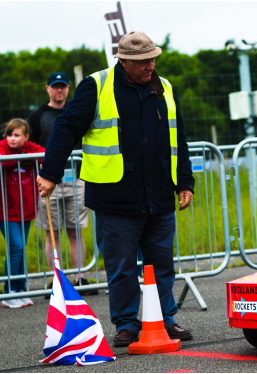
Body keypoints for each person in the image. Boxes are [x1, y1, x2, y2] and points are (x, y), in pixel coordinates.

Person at [36, 31, 196, 347]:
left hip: (160, 194)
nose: (150, 65)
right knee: (121, 267)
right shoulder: (97, 85)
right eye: (142, 61)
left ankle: (166, 319)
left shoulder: (164, 88)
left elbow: (178, 137)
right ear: (123, 60)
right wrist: (51, 173)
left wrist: (185, 182)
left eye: (152, 58)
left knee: (162, 263)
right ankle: (126, 323)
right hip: (116, 198)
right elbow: (67, 128)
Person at [27, 72, 95, 295]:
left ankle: (80, 277)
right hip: (48, 182)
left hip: (76, 179)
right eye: (55, 86)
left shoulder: (77, 112)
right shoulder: (37, 116)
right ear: (47, 88)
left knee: (75, 230)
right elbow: (29, 147)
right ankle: (56, 278)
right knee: (52, 232)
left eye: (63, 86)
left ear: (68, 88)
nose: (59, 90)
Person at [0, 119, 45, 308]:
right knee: (16, 247)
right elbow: (3, 163)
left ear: (26, 137)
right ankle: (8, 290)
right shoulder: (3, 148)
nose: (11, 138)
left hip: (26, 210)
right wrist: (21, 157)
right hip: (5, 211)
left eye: (17, 135)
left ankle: (20, 288)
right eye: (9, 134)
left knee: (21, 247)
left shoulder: (30, 147)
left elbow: (45, 155)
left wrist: (24, 154)